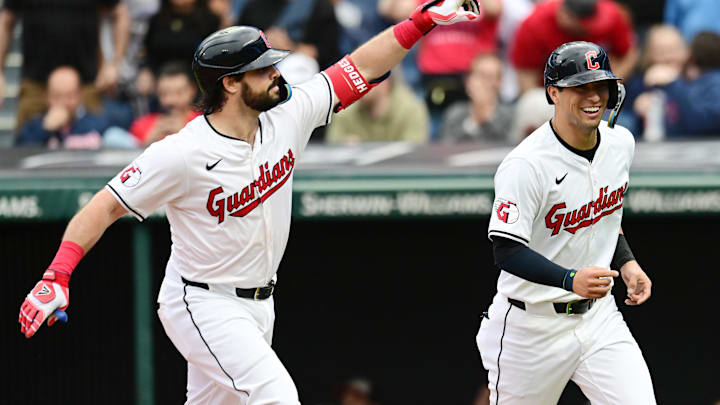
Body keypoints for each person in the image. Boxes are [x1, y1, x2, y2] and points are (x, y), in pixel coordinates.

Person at [18, 2, 480, 403]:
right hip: (202, 300)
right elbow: (104, 205)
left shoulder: (287, 113)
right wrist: (57, 273)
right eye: (264, 69)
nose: (278, 73)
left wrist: (419, 24)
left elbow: (358, 68)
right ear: (232, 84)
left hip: (260, 300)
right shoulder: (183, 152)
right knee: (277, 395)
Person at [476, 41, 656, 404]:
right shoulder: (526, 163)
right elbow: (506, 250)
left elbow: (605, 214)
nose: (593, 97)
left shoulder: (620, 142)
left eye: (599, 85)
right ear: (553, 93)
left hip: (599, 320)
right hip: (531, 327)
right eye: (580, 87)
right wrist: (570, 279)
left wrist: (627, 261)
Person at [0, 0, 130, 131]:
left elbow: (120, 13)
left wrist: (114, 64)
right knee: (27, 142)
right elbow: (6, 21)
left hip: (84, 87)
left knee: (91, 140)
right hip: (37, 86)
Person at [511, 0, 638, 94]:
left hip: (597, 88)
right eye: (581, 23)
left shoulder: (610, 14)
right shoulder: (535, 24)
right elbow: (526, 77)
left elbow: (629, 53)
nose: (586, 29)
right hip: (553, 93)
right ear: (564, 15)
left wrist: (609, 86)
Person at [633, 31, 720, 138]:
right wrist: (638, 114)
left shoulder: (707, 82)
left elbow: (702, 123)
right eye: (661, 51)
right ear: (649, 55)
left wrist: (674, 83)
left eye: (674, 50)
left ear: (688, 52)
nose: (668, 57)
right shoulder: (642, 83)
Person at [15, 66, 109, 148]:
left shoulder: (96, 123)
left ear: (80, 96)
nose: (63, 103)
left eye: (70, 96)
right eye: (57, 96)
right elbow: (20, 149)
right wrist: (45, 128)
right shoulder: (33, 126)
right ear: (47, 97)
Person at [326, 75, 429, 144]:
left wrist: (363, 151)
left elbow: (413, 155)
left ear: (384, 81)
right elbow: (332, 148)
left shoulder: (411, 110)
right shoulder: (344, 110)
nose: (358, 86)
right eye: (356, 81)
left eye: (365, 79)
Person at [437, 52, 513, 143]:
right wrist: (473, 122)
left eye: (492, 77)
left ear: (500, 82)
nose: (486, 83)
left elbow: (508, 148)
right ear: (468, 81)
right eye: (482, 76)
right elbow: (446, 148)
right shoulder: (454, 113)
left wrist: (486, 119)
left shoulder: (510, 115)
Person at [130, 62, 201, 146]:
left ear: (192, 90)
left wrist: (183, 134)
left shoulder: (204, 123)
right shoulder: (141, 125)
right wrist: (150, 140)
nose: (171, 100)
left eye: (179, 93)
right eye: (164, 93)